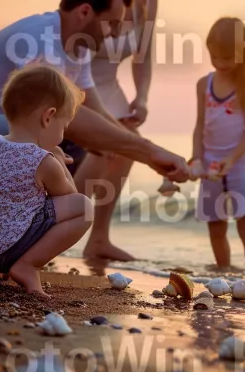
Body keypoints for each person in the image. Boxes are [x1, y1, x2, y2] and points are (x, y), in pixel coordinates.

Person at [0, 0, 189, 263]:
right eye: (112, 24)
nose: (116, 33)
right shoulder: (37, 39)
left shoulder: (79, 50)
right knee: (45, 132)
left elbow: (92, 111)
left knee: (70, 143)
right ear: (85, 11)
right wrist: (151, 152)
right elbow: (63, 115)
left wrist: (138, 147)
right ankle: (13, 238)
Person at [0, 64, 93, 298]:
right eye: (63, 127)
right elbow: (71, 197)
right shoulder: (42, 160)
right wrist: (57, 159)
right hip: (12, 248)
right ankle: (28, 265)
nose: (63, 135)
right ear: (48, 117)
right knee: (85, 207)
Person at [80, 0, 158, 261]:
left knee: (127, 148)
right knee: (106, 150)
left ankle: (99, 239)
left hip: (110, 90)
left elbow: (143, 52)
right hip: (78, 86)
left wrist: (143, 97)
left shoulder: (149, 3)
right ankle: (50, 228)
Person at [190, 17, 245, 274]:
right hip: (210, 164)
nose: (220, 64)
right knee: (216, 225)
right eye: (215, 57)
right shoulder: (204, 85)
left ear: (241, 54)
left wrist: (232, 159)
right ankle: (223, 273)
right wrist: (196, 158)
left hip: (239, 163)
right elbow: (200, 125)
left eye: (226, 58)